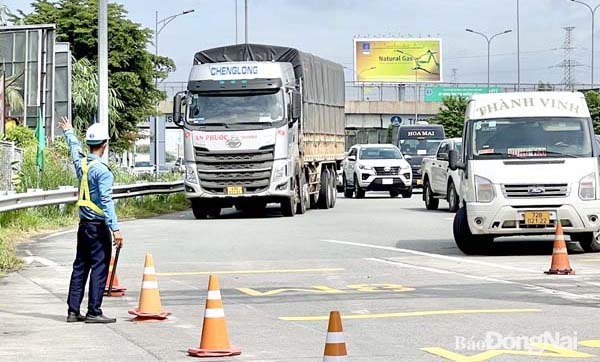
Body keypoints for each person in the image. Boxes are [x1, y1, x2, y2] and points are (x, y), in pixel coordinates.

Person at [59, 117, 124, 324]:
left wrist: (69, 132)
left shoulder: (82, 164)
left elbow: (74, 149)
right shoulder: (103, 171)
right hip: (98, 227)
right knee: (99, 266)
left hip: (83, 226)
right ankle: (94, 311)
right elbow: (107, 201)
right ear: (105, 144)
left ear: (90, 144)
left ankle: (73, 310)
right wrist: (115, 229)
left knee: (80, 266)